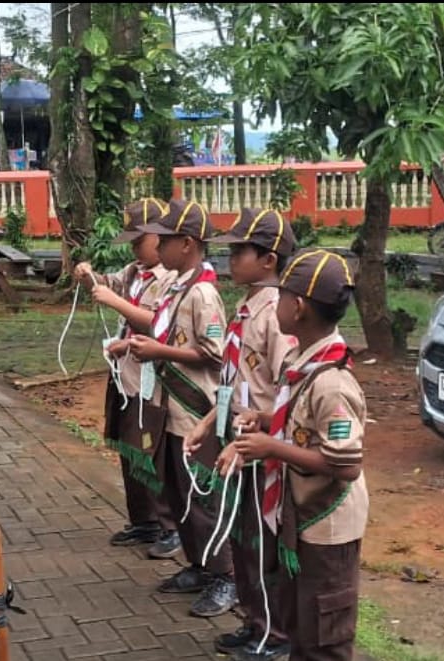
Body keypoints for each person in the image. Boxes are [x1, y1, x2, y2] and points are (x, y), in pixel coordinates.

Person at [233, 248, 367, 661]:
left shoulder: (332, 383)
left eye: (282, 294)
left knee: (323, 634)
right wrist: (265, 419)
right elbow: (298, 421)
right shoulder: (301, 361)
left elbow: (346, 464)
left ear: (299, 307)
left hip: (327, 524)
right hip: (301, 514)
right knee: (299, 620)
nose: (276, 301)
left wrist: (272, 447)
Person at [185, 208, 298, 654]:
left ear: (268, 259)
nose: (230, 258)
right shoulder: (247, 307)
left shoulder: (277, 316)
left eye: (240, 251)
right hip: (238, 442)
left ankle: (277, 633)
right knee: (244, 539)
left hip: (264, 450)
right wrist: (207, 423)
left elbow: (288, 394)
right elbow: (233, 382)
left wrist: (256, 437)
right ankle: (255, 622)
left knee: (264, 543)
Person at [128, 198, 236, 617]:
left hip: (194, 410)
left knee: (203, 497)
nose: (158, 247)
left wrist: (159, 351)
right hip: (170, 408)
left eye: (166, 240)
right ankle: (199, 564)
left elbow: (214, 353)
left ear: (188, 243)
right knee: (178, 493)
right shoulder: (177, 286)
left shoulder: (203, 293)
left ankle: (225, 576)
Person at [73, 198, 180, 555]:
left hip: (152, 381)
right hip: (126, 377)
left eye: (139, 239)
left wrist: (114, 302)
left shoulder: (171, 279)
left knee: (152, 452)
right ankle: (144, 521)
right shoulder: (135, 272)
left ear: (160, 236)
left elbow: (159, 324)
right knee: (128, 447)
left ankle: (169, 526)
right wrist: (89, 277)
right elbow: (109, 285)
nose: (134, 247)